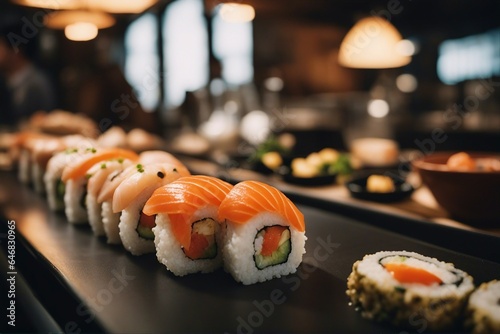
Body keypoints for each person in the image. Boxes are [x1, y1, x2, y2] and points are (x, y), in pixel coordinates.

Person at [0, 23, 56, 126]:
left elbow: (44, 123)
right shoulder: (5, 80)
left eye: (1, 46)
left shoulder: (37, 84)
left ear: (15, 51)